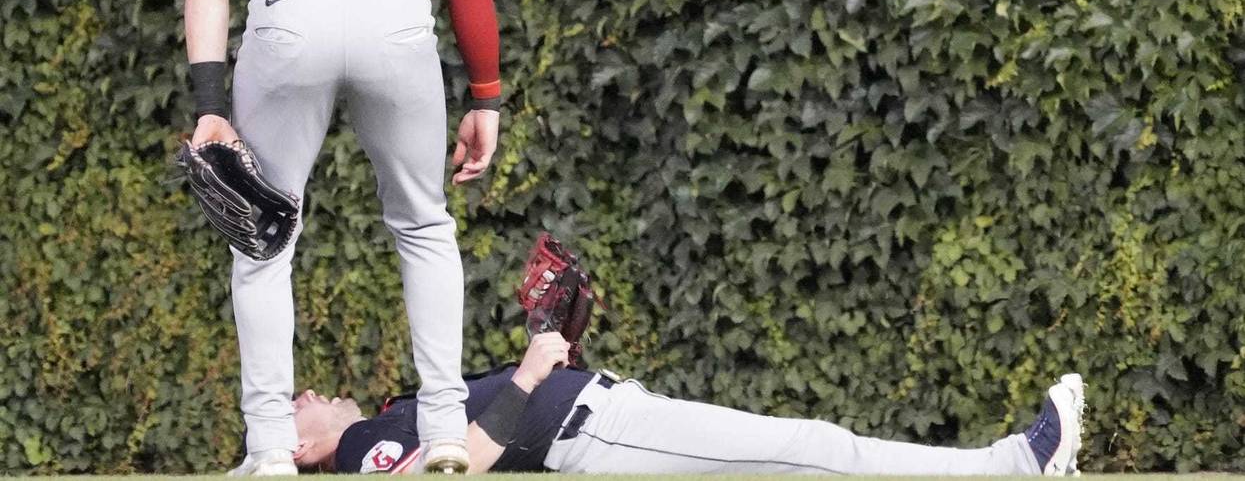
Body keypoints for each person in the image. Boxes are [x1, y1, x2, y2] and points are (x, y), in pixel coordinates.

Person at [169, 0, 501, 476]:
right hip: (395, 7)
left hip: (288, 8)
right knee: (423, 225)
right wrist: (486, 96)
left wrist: (209, 103)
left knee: (264, 237)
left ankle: (269, 450)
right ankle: (443, 430)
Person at [292, 333, 1086, 476]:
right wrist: (532, 374)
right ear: (299, 454)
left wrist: (556, 341)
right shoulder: (365, 448)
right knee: (814, 448)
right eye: (289, 410)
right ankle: (1015, 463)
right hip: (595, 439)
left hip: (602, 418)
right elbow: (445, 475)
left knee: (812, 454)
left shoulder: (379, 419)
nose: (303, 394)